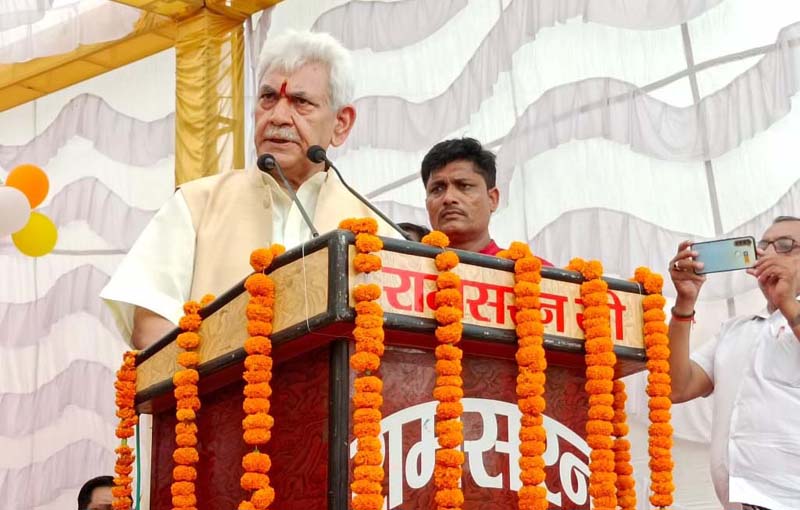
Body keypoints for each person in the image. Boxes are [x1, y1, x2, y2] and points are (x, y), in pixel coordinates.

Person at [101, 30, 399, 350]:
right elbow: (151, 322)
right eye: (268, 98)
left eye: (301, 102)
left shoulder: (375, 228)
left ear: (341, 124)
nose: (278, 116)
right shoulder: (196, 203)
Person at [667, 215, 800, 510]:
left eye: (785, 246)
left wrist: (788, 301)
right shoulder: (736, 329)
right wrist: (684, 303)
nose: (768, 253)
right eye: (762, 246)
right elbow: (677, 387)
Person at [420, 137, 552, 265]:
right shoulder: (408, 269)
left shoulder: (539, 274)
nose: (448, 198)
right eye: (437, 189)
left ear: (492, 199)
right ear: (427, 204)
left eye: (464, 186)